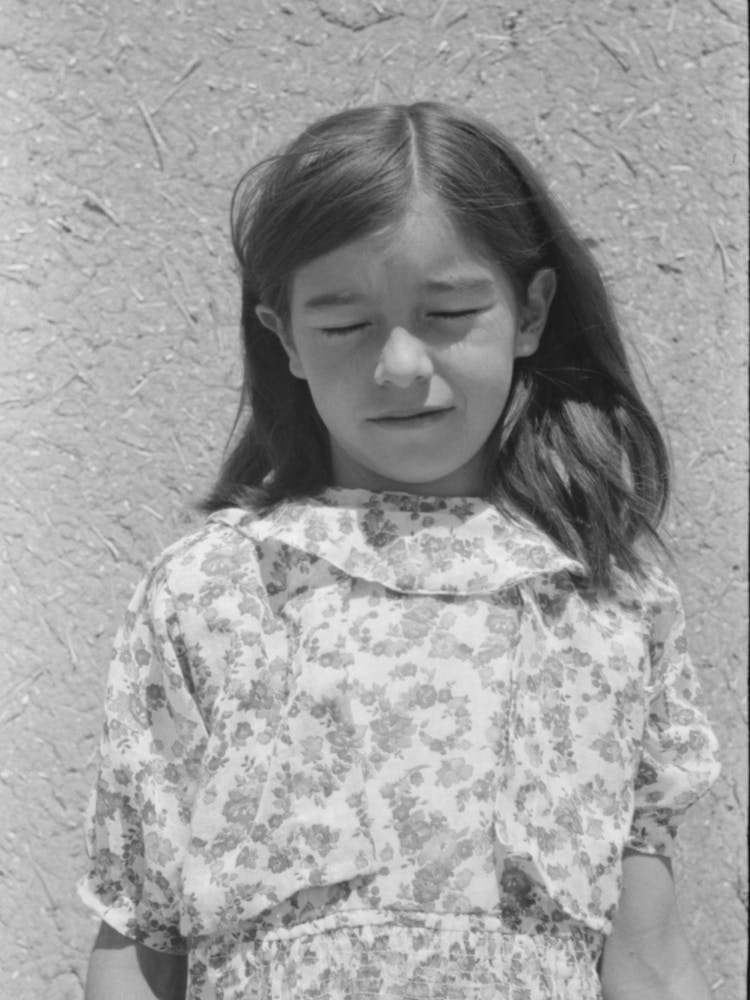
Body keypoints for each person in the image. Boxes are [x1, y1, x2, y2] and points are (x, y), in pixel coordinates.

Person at [80, 102, 720, 1000]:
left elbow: (648, 961)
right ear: (285, 338)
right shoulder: (212, 590)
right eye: (345, 325)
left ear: (531, 312)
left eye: (450, 309)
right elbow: (140, 942)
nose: (401, 365)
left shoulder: (606, 598)